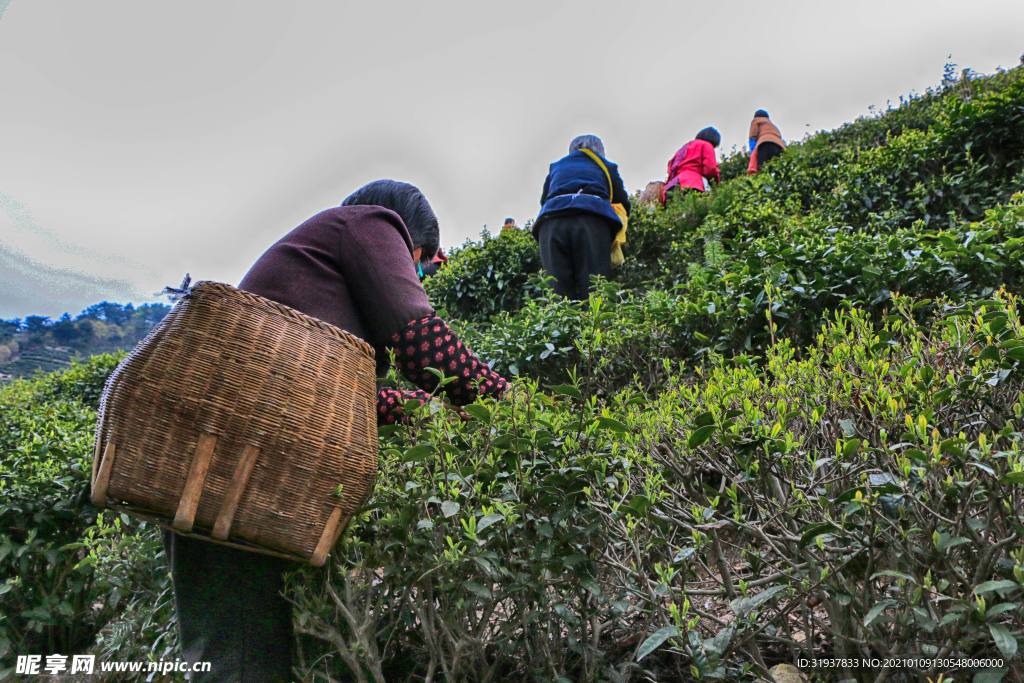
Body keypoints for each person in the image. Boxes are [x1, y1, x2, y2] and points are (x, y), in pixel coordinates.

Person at [162, 180, 508, 683]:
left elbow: (336, 401)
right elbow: (420, 340)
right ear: (401, 235)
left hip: (227, 459)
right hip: (232, 462)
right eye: (416, 263)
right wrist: (507, 404)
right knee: (237, 653)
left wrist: (418, 407)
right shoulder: (368, 224)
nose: (416, 276)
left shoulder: (317, 290)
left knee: (241, 645)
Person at [532, 135, 630, 301]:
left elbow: (544, 200)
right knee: (594, 289)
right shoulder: (606, 166)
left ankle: (563, 326)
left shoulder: (557, 166)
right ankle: (593, 325)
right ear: (600, 150)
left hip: (551, 223)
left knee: (558, 295)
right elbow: (622, 200)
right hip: (591, 219)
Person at [662, 127, 721, 204]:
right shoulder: (706, 145)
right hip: (692, 184)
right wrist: (717, 184)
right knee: (694, 212)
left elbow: (670, 170)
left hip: (670, 189)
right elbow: (710, 169)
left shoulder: (681, 150)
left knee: (675, 213)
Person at [747, 110, 785, 174]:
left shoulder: (756, 121)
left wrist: (753, 154)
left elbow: (752, 138)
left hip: (764, 144)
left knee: (762, 169)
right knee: (777, 170)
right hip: (779, 147)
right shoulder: (772, 125)